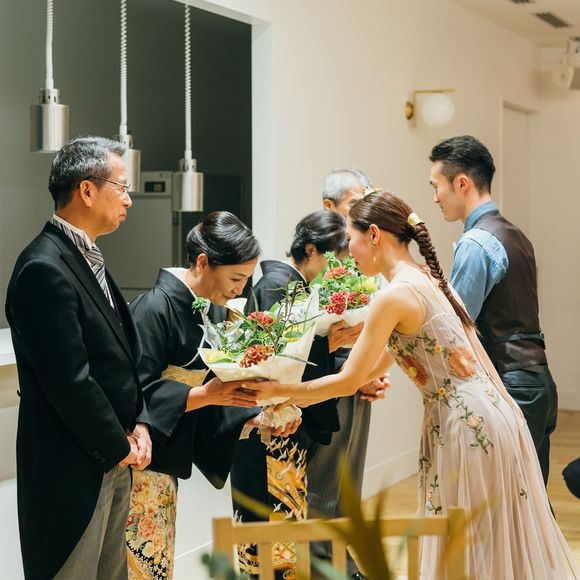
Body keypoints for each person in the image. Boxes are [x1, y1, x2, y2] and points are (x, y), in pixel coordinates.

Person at [253, 192, 579, 579]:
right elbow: (383, 363)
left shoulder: (393, 296)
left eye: (351, 239)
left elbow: (347, 381)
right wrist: (315, 388)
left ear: (374, 235)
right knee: (492, 544)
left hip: (465, 425)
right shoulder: (424, 278)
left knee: (469, 547)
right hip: (489, 414)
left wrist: (277, 391)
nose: (349, 252)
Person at [5, 137, 151, 580]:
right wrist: (119, 445)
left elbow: (118, 359)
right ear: (87, 190)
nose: (128, 199)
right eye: (122, 187)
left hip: (111, 453)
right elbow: (69, 379)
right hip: (71, 464)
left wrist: (138, 424)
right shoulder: (44, 266)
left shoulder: (85, 255)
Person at [125, 211, 300, 579]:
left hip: (171, 452)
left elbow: (213, 390)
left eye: (246, 280)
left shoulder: (211, 311)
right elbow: (136, 393)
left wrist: (257, 416)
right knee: (142, 564)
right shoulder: (154, 307)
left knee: (160, 561)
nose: (240, 290)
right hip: (142, 457)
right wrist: (204, 394)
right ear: (203, 262)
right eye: (235, 278)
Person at [230, 210, 360, 578]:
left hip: (280, 425)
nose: (337, 269)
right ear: (310, 249)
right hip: (266, 427)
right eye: (335, 259)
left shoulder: (290, 285)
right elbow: (271, 360)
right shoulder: (277, 285)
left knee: (282, 535)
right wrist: (329, 344)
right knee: (271, 536)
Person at [429, 135, 558, 486]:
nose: (435, 197)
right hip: (538, 382)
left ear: (462, 183)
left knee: (507, 505)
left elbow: (454, 328)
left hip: (509, 385)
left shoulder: (476, 243)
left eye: (436, 186)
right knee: (531, 506)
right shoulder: (515, 235)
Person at [318, 167, 387, 579]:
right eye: (354, 202)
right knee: (327, 480)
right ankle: (328, 566)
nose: (363, 209)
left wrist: (373, 373)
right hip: (332, 381)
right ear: (329, 206)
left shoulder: (362, 257)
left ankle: (342, 561)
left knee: (350, 480)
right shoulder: (321, 260)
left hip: (358, 379)